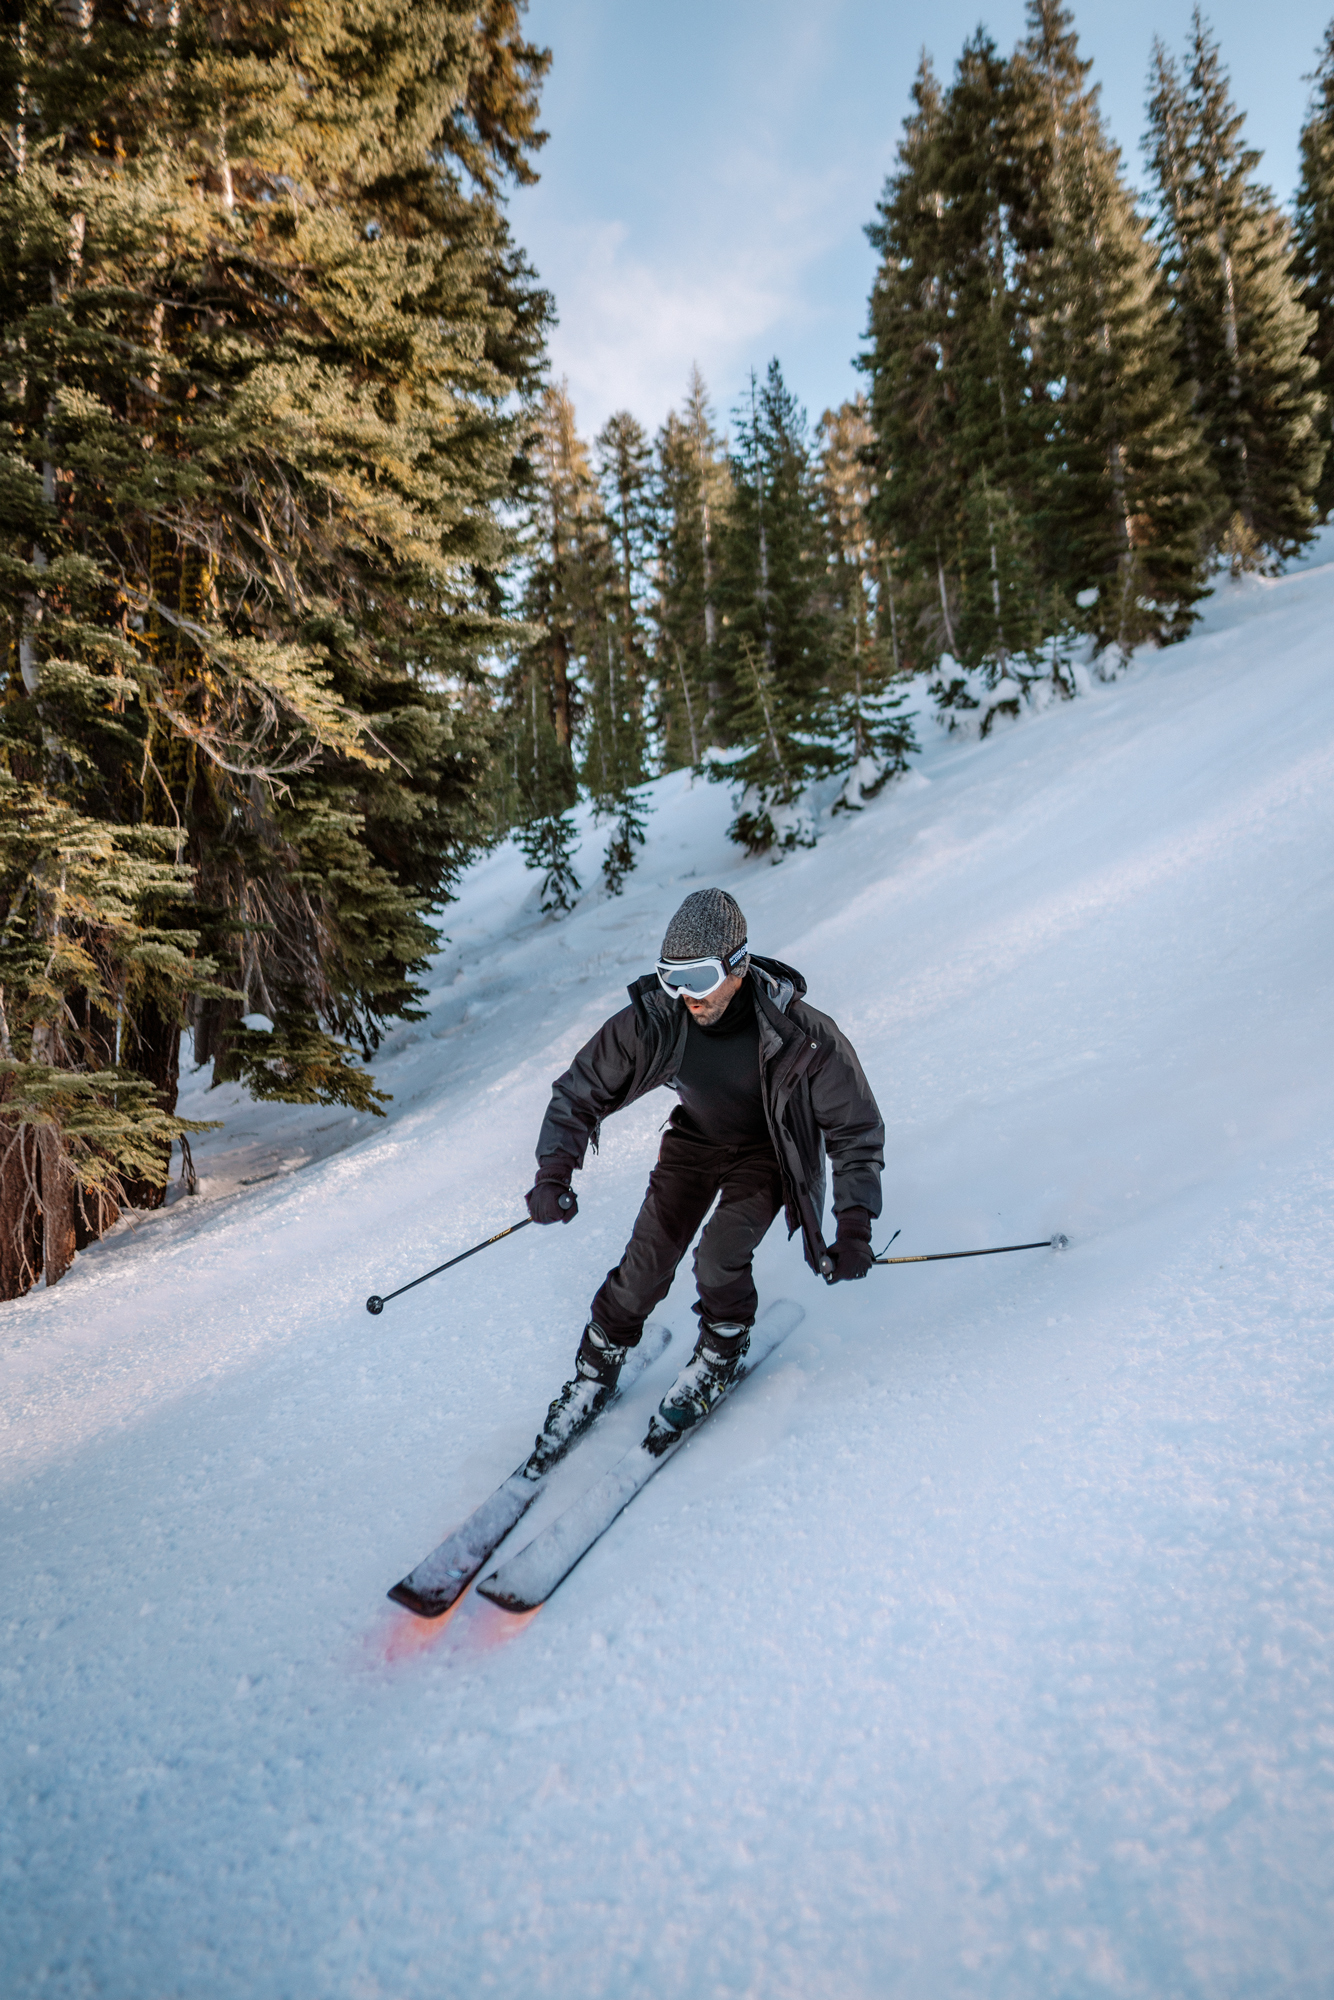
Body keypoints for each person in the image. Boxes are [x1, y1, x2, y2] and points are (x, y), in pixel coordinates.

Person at [525, 887, 885, 1449]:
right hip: (694, 1143)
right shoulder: (658, 1020)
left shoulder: (802, 1035)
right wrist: (554, 1172)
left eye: (697, 978)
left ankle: (722, 1347)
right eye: (671, 978)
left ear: (738, 965)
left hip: (767, 1154)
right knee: (644, 1264)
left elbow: (855, 1128)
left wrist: (856, 1225)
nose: (685, 995)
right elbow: (581, 1089)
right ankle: (595, 1371)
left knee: (719, 1256)